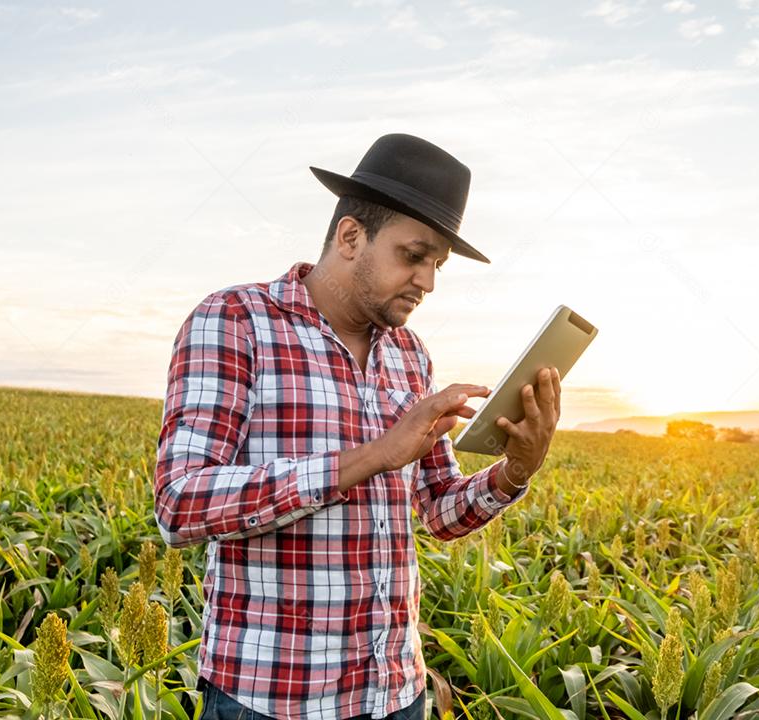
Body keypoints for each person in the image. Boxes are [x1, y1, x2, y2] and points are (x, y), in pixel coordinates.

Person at [154, 133, 562, 720]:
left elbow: (440, 511)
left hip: (396, 693)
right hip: (271, 699)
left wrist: (517, 469)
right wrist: (372, 456)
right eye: (413, 255)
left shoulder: (409, 354)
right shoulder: (236, 321)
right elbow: (180, 503)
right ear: (350, 236)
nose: (428, 281)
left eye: (438, 265)